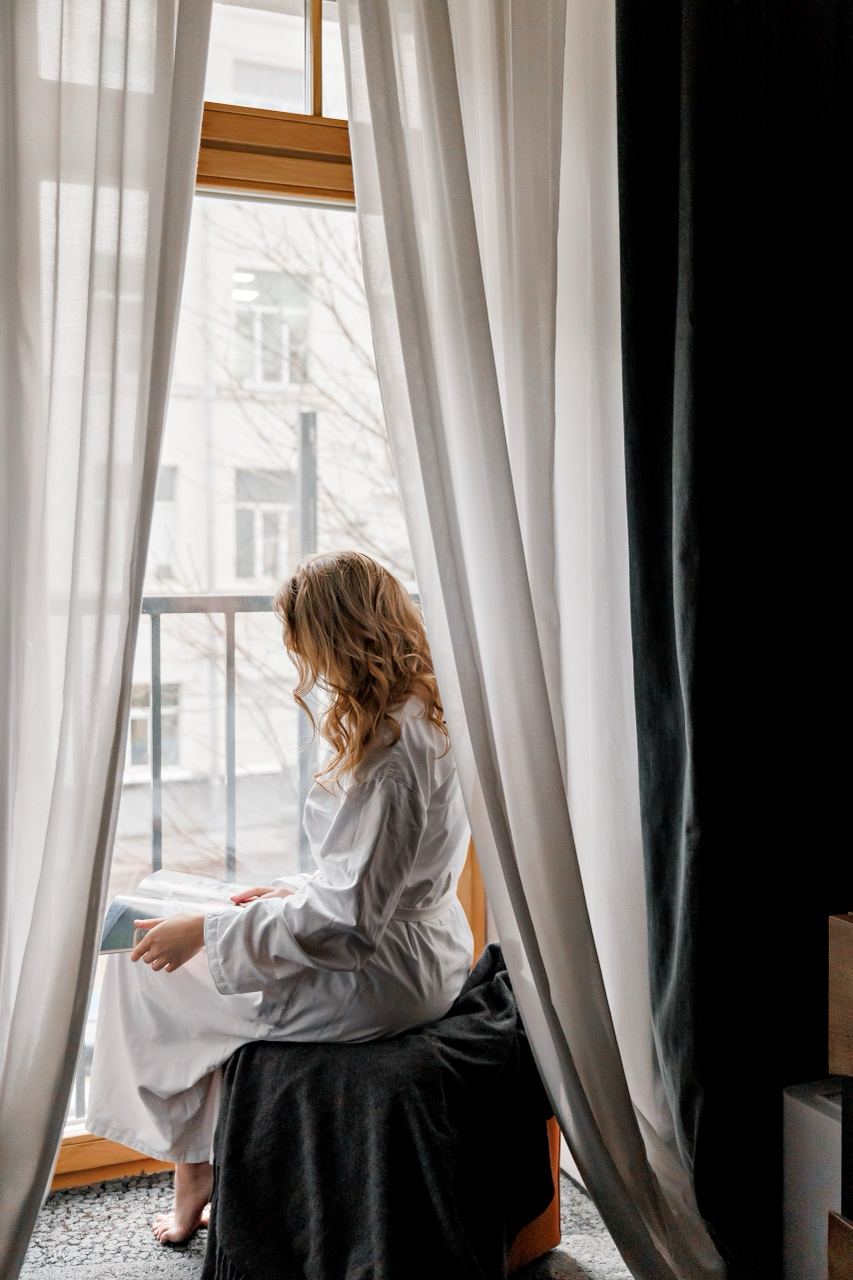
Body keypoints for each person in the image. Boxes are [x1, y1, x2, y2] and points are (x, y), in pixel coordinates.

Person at [85, 550, 474, 1244]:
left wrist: (204, 934)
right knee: (158, 897)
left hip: (379, 976)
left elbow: (349, 924)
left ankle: (193, 1167)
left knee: (142, 958)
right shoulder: (426, 710)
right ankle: (198, 1158)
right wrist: (283, 891)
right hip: (421, 944)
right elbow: (375, 879)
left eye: (305, 645)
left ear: (336, 639)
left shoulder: (388, 757)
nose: (306, 664)